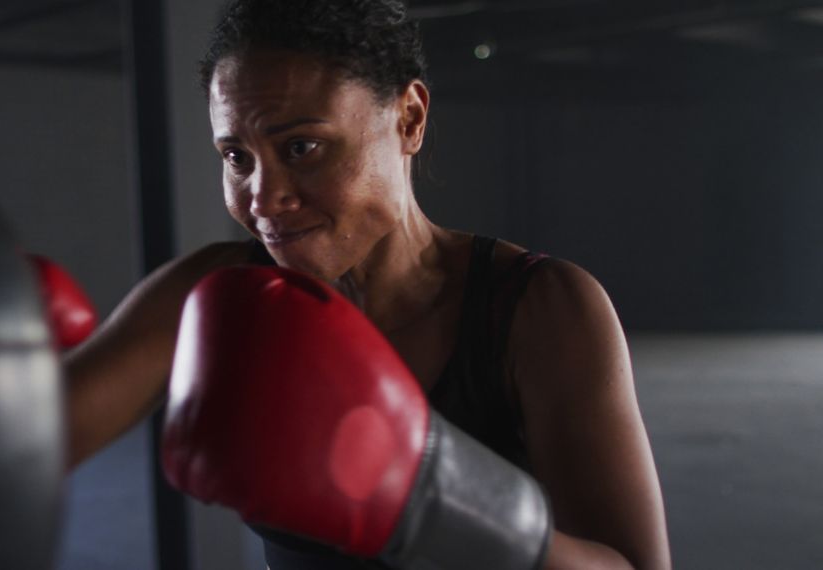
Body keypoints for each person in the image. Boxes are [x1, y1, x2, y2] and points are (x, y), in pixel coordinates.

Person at [65, 0, 671, 568]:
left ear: (408, 118)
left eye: (301, 147)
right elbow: (33, 440)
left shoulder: (540, 310)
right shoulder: (216, 296)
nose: (263, 197)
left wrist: (437, 497)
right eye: (237, 157)